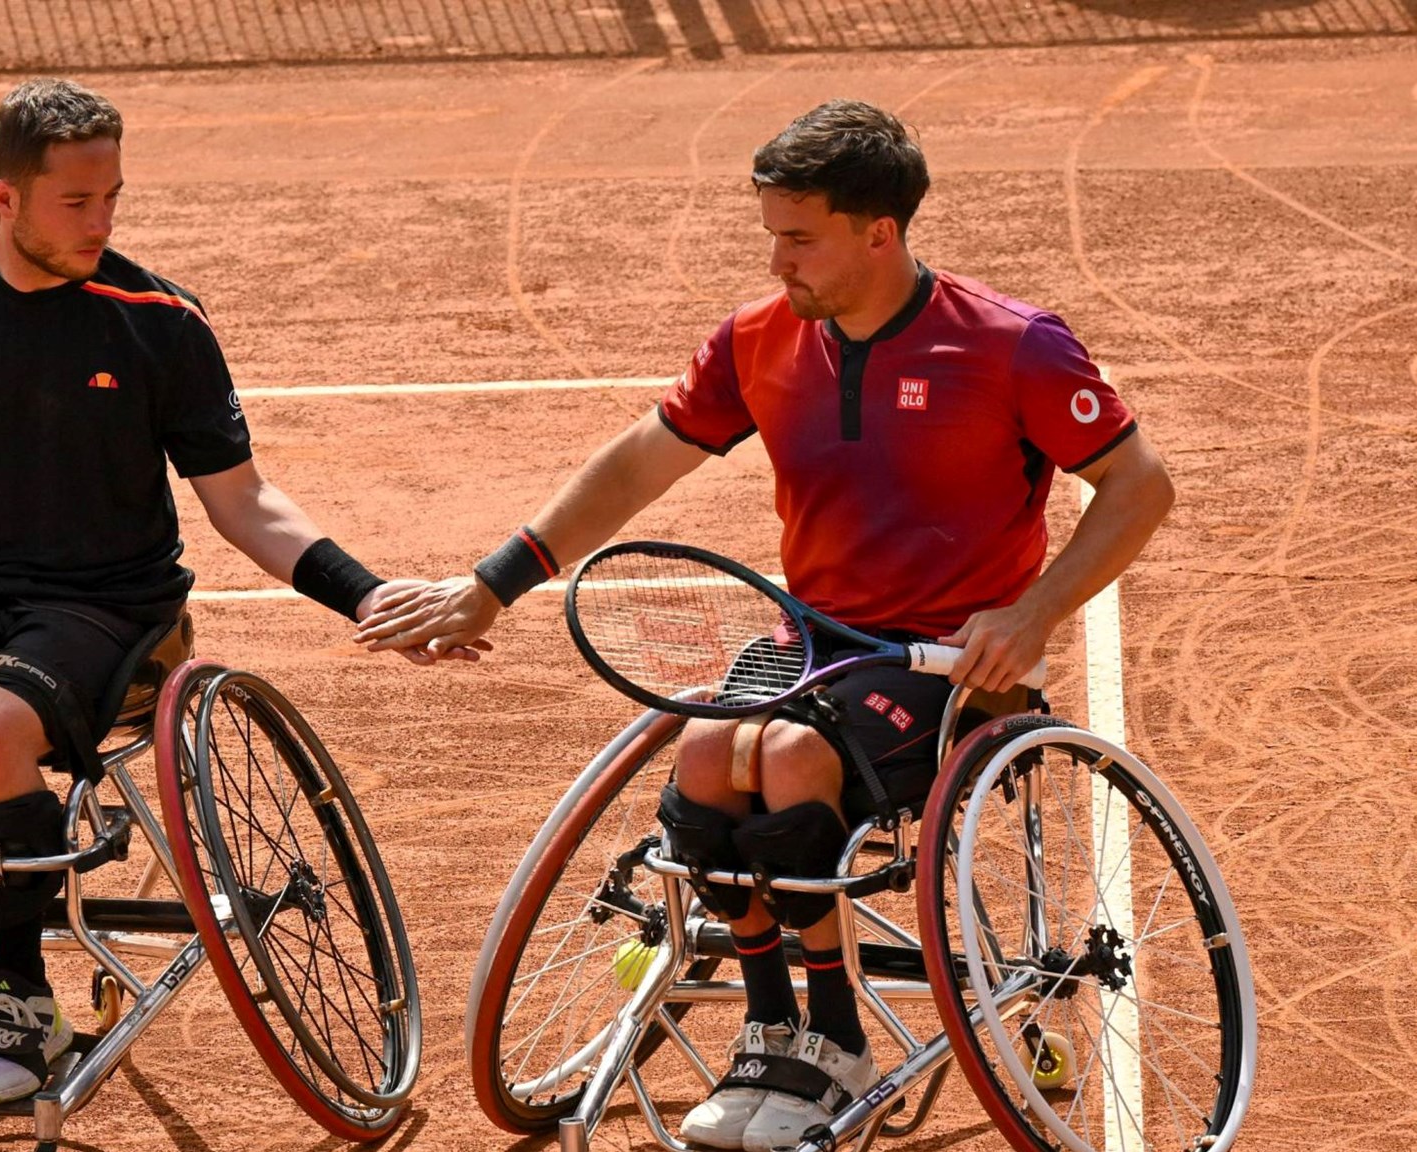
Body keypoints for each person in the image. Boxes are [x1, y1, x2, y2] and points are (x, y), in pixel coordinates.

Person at [355, 99, 1174, 1151]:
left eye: (798, 236)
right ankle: (771, 1025)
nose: (774, 257)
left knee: (786, 757)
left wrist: (1030, 614)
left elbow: (1137, 487)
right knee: (702, 752)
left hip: (950, 663)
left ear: (877, 232)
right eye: (769, 233)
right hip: (812, 639)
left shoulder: (1011, 346)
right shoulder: (755, 340)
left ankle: (833, 1041)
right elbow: (637, 465)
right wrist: (492, 584)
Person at [0, 78, 455, 1108]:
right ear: (4, 198)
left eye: (112, 196)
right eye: (76, 202)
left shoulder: (158, 322)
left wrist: (364, 594)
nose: (101, 221)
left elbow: (244, 502)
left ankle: (24, 998)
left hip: (110, 610)